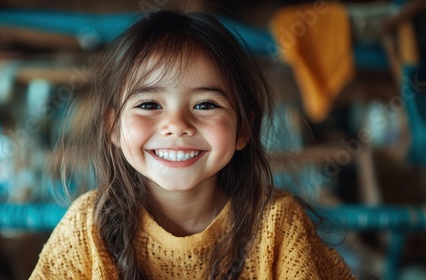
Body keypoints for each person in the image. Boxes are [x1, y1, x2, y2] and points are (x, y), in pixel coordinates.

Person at [30, 10, 356, 280]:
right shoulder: (87, 228)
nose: (177, 125)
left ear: (243, 128)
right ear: (113, 127)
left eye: (205, 105)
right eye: (148, 104)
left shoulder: (279, 226)